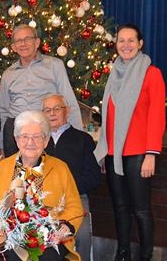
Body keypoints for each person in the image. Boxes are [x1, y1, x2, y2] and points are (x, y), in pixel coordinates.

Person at [93, 24, 165, 261]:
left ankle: (146, 256)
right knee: (120, 208)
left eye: (130, 40)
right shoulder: (114, 73)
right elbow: (110, 117)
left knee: (141, 210)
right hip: (114, 153)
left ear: (140, 43)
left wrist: (151, 154)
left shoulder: (151, 73)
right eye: (121, 40)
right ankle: (122, 253)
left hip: (138, 154)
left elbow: (157, 115)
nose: (125, 45)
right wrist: (104, 151)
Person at [0, 110, 83, 261]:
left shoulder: (60, 168)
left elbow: (74, 207)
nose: (30, 142)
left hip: (49, 240)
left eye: (37, 137)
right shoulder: (0, 168)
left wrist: (63, 228)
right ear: (16, 139)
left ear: (46, 140)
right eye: (24, 136)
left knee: (48, 257)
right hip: (8, 239)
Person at [0, 24, 82, 156]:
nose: (23, 44)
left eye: (28, 39)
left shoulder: (54, 65)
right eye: (19, 41)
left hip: (45, 128)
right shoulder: (8, 74)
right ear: (13, 47)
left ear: (37, 42)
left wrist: (78, 137)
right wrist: (1, 144)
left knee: (45, 172)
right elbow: (3, 110)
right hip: (15, 131)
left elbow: (69, 102)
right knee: (18, 175)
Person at [42, 94, 101, 261]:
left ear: (66, 111)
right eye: (47, 110)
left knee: (80, 235)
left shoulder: (83, 139)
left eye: (57, 109)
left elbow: (94, 177)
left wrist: (69, 189)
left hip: (75, 197)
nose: (52, 113)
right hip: (43, 200)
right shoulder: (38, 140)